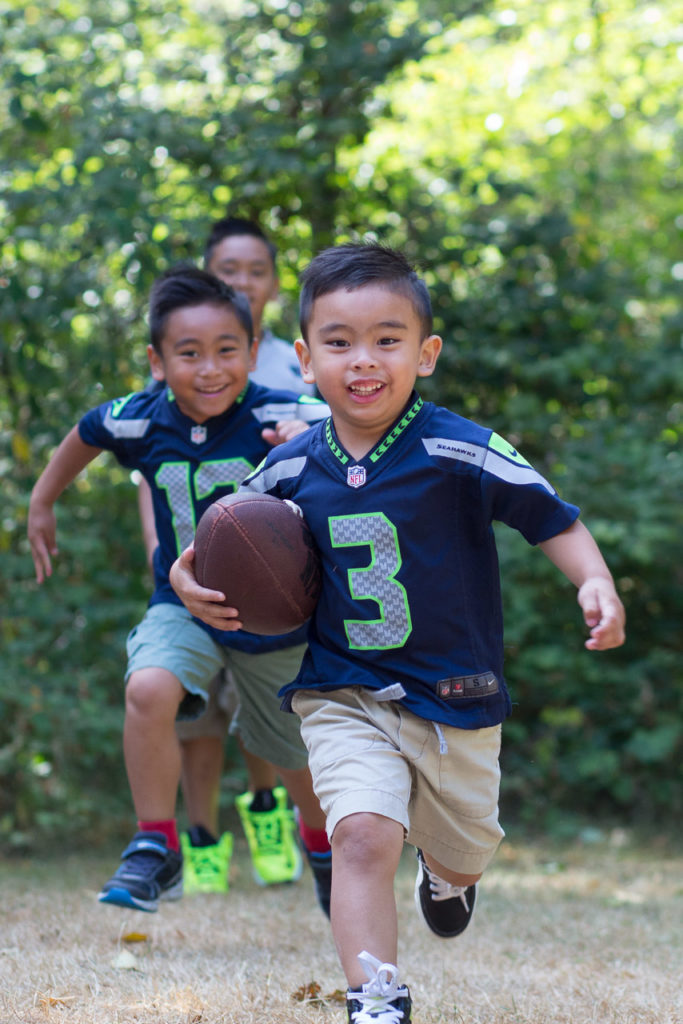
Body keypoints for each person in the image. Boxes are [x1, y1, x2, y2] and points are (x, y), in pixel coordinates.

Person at [169, 242, 626, 1022]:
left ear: (426, 353)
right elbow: (217, 540)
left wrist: (593, 578)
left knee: (464, 842)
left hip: (456, 693)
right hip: (342, 690)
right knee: (362, 837)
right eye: (339, 343)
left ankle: (448, 875)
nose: (364, 359)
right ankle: (376, 996)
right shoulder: (290, 466)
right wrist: (187, 579)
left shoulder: (457, 447)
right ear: (306, 359)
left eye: (387, 339)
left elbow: (551, 515)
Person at [28, 265, 333, 915]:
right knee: (147, 689)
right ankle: (153, 844)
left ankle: (324, 851)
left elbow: (359, 432)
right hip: (184, 599)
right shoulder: (139, 419)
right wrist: (42, 502)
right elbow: (86, 432)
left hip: (272, 613)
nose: (210, 368)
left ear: (253, 352)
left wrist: (318, 441)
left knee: (292, 750)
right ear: (157, 361)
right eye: (188, 353)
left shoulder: (286, 411)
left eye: (227, 350)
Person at [137, 216, 321, 894]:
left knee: (264, 707)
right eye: (227, 269)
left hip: (271, 574)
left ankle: (270, 812)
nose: (242, 280)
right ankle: (203, 836)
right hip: (191, 573)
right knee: (195, 713)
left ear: (273, 283)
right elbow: (151, 473)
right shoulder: (190, 353)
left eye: (255, 270)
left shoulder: (294, 363)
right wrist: (164, 556)